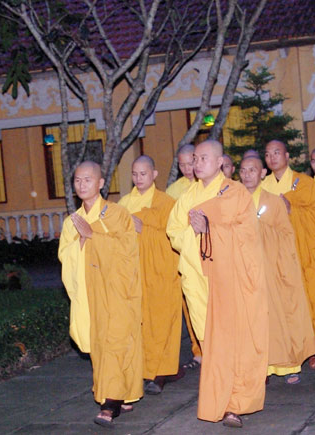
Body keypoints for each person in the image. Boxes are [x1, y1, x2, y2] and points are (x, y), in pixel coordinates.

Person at [167, 140, 268, 428]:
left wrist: (209, 230)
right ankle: (220, 397)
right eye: (195, 158)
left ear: (220, 162)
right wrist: (195, 232)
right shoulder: (187, 196)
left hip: (229, 278)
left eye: (203, 158)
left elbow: (247, 234)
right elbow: (173, 232)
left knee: (233, 340)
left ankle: (234, 404)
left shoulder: (235, 193)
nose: (197, 163)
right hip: (196, 277)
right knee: (210, 343)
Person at [58, 161, 143, 428]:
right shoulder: (71, 222)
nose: (82, 184)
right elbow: (65, 256)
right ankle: (122, 392)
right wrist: (83, 239)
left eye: (88, 179)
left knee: (116, 343)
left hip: (117, 290)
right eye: (77, 180)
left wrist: (93, 236)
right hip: (89, 293)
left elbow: (128, 251)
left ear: (101, 183)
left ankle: (110, 403)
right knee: (101, 347)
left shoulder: (117, 214)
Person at [239, 156, 315, 385]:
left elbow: (286, 235)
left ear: (262, 173)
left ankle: (287, 365)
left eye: (252, 170)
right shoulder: (235, 201)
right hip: (246, 270)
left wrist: (260, 228)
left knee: (279, 317)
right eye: (243, 170)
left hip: (272, 269)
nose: (247, 175)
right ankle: (260, 368)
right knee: (252, 321)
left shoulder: (273, 202)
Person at [260, 140, 315, 368]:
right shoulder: (262, 187)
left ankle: (313, 348)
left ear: (287, 156)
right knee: (283, 303)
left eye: (276, 153)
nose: (272, 158)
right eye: (268, 154)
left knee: (310, 299)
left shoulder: (305, 184)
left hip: (303, 250)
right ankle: (288, 349)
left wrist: (292, 210)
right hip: (276, 255)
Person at [118, 155, 182, 395]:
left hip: (160, 272)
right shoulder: (124, 204)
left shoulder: (167, 203)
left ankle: (160, 372)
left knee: (162, 321)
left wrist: (144, 229)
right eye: (135, 174)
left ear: (154, 174)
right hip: (133, 272)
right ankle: (141, 369)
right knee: (139, 323)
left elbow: (173, 237)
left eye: (143, 174)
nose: (138, 178)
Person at [165, 143, 202, 369]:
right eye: (182, 165)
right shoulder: (173, 191)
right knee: (190, 305)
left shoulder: (207, 184)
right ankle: (198, 351)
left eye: (191, 163)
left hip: (209, 252)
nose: (187, 169)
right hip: (185, 253)